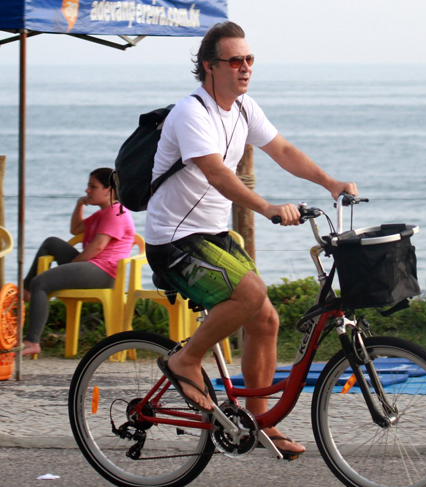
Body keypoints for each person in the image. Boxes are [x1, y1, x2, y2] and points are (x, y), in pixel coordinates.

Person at [145, 21, 357, 458]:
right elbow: (219, 174)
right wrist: (267, 207)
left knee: (265, 320)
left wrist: (330, 182)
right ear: (209, 67)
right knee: (251, 293)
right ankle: (184, 360)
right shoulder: (192, 113)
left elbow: (282, 150)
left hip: (213, 235)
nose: (245, 68)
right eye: (235, 60)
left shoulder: (243, 109)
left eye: (249, 60)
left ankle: (261, 422)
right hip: (174, 239)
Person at [22, 167, 136, 357]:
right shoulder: (102, 213)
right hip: (92, 266)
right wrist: (80, 204)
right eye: (88, 186)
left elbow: (97, 247)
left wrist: (70, 266)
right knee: (51, 243)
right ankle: (26, 291)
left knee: (40, 283)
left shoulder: (116, 212)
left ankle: (32, 341)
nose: (87, 191)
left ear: (109, 190)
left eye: (93, 187)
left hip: (103, 272)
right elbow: (75, 229)